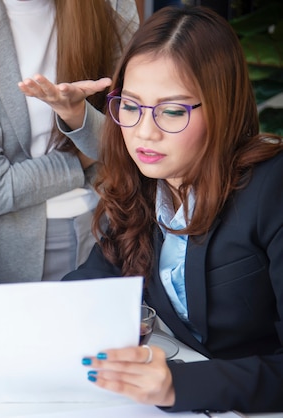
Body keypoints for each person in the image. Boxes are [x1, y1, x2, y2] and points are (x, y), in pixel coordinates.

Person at [63, 6, 283, 413]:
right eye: (130, 106)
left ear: (221, 107)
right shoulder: (144, 185)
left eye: (172, 111)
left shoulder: (272, 188)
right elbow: (94, 284)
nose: (145, 131)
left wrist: (177, 386)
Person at [0, 0, 139, 285]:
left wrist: (77, 116)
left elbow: (133, 138)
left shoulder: (112, 6)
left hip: (110, 233)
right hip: (8, 250)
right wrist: (83, 158)